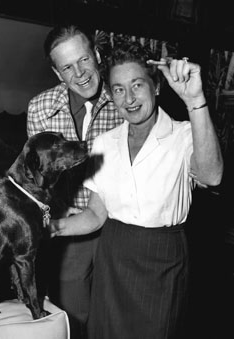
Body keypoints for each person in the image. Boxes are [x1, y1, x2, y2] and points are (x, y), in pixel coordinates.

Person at [49, 40, 224, 339]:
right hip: (112, 257)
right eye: (118, 89)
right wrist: (48, 226)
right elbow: (94, 214)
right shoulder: (105, 143)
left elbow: (212, 175)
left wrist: (195, 101)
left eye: (137, 85)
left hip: (162, 260)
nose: (128, 98)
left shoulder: (183, 134)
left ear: (156, 86)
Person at [26, 24, 123, 339]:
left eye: (84, 60)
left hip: (121, 229)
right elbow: (40, 178)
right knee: (73, 319)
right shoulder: (40, 109)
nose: (80, 73)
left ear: (96, 55)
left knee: (116, 318)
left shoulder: (125, 100)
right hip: (70, 233)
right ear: (57, 73)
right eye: (67, 67)